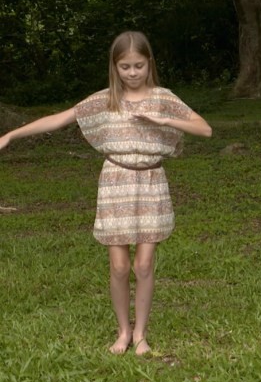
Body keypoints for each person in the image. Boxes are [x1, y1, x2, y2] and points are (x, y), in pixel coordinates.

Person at [0, 31, 212, 354]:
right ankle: (123, 332)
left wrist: (162, 117)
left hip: (151, 183)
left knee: (144, 265)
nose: (132, 73)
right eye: (124, 67)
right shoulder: (105, 99)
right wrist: (12, 136)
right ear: (115, 67)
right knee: (119, 267)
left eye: (138, 65)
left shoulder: (163, 97)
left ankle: (141, 333)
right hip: (115, 183)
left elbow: (205, 128)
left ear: (149, 63)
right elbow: (60, 119)